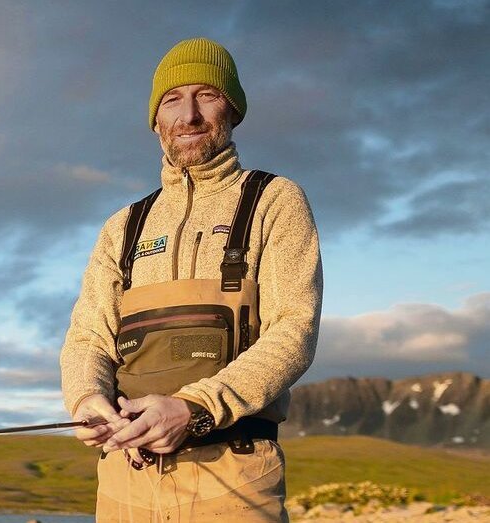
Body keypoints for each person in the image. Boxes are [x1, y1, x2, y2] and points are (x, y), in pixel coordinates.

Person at [59, 37, 323, 522]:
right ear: (155, 119)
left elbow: (294, 331)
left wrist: (193, 408)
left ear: (233, 109)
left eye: (207, 95)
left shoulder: (274, 200)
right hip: (124, 478)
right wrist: (87, 399)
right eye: (172, 100)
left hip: (235, 475)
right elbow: (87, 339)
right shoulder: (123, 226)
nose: (189, 116)